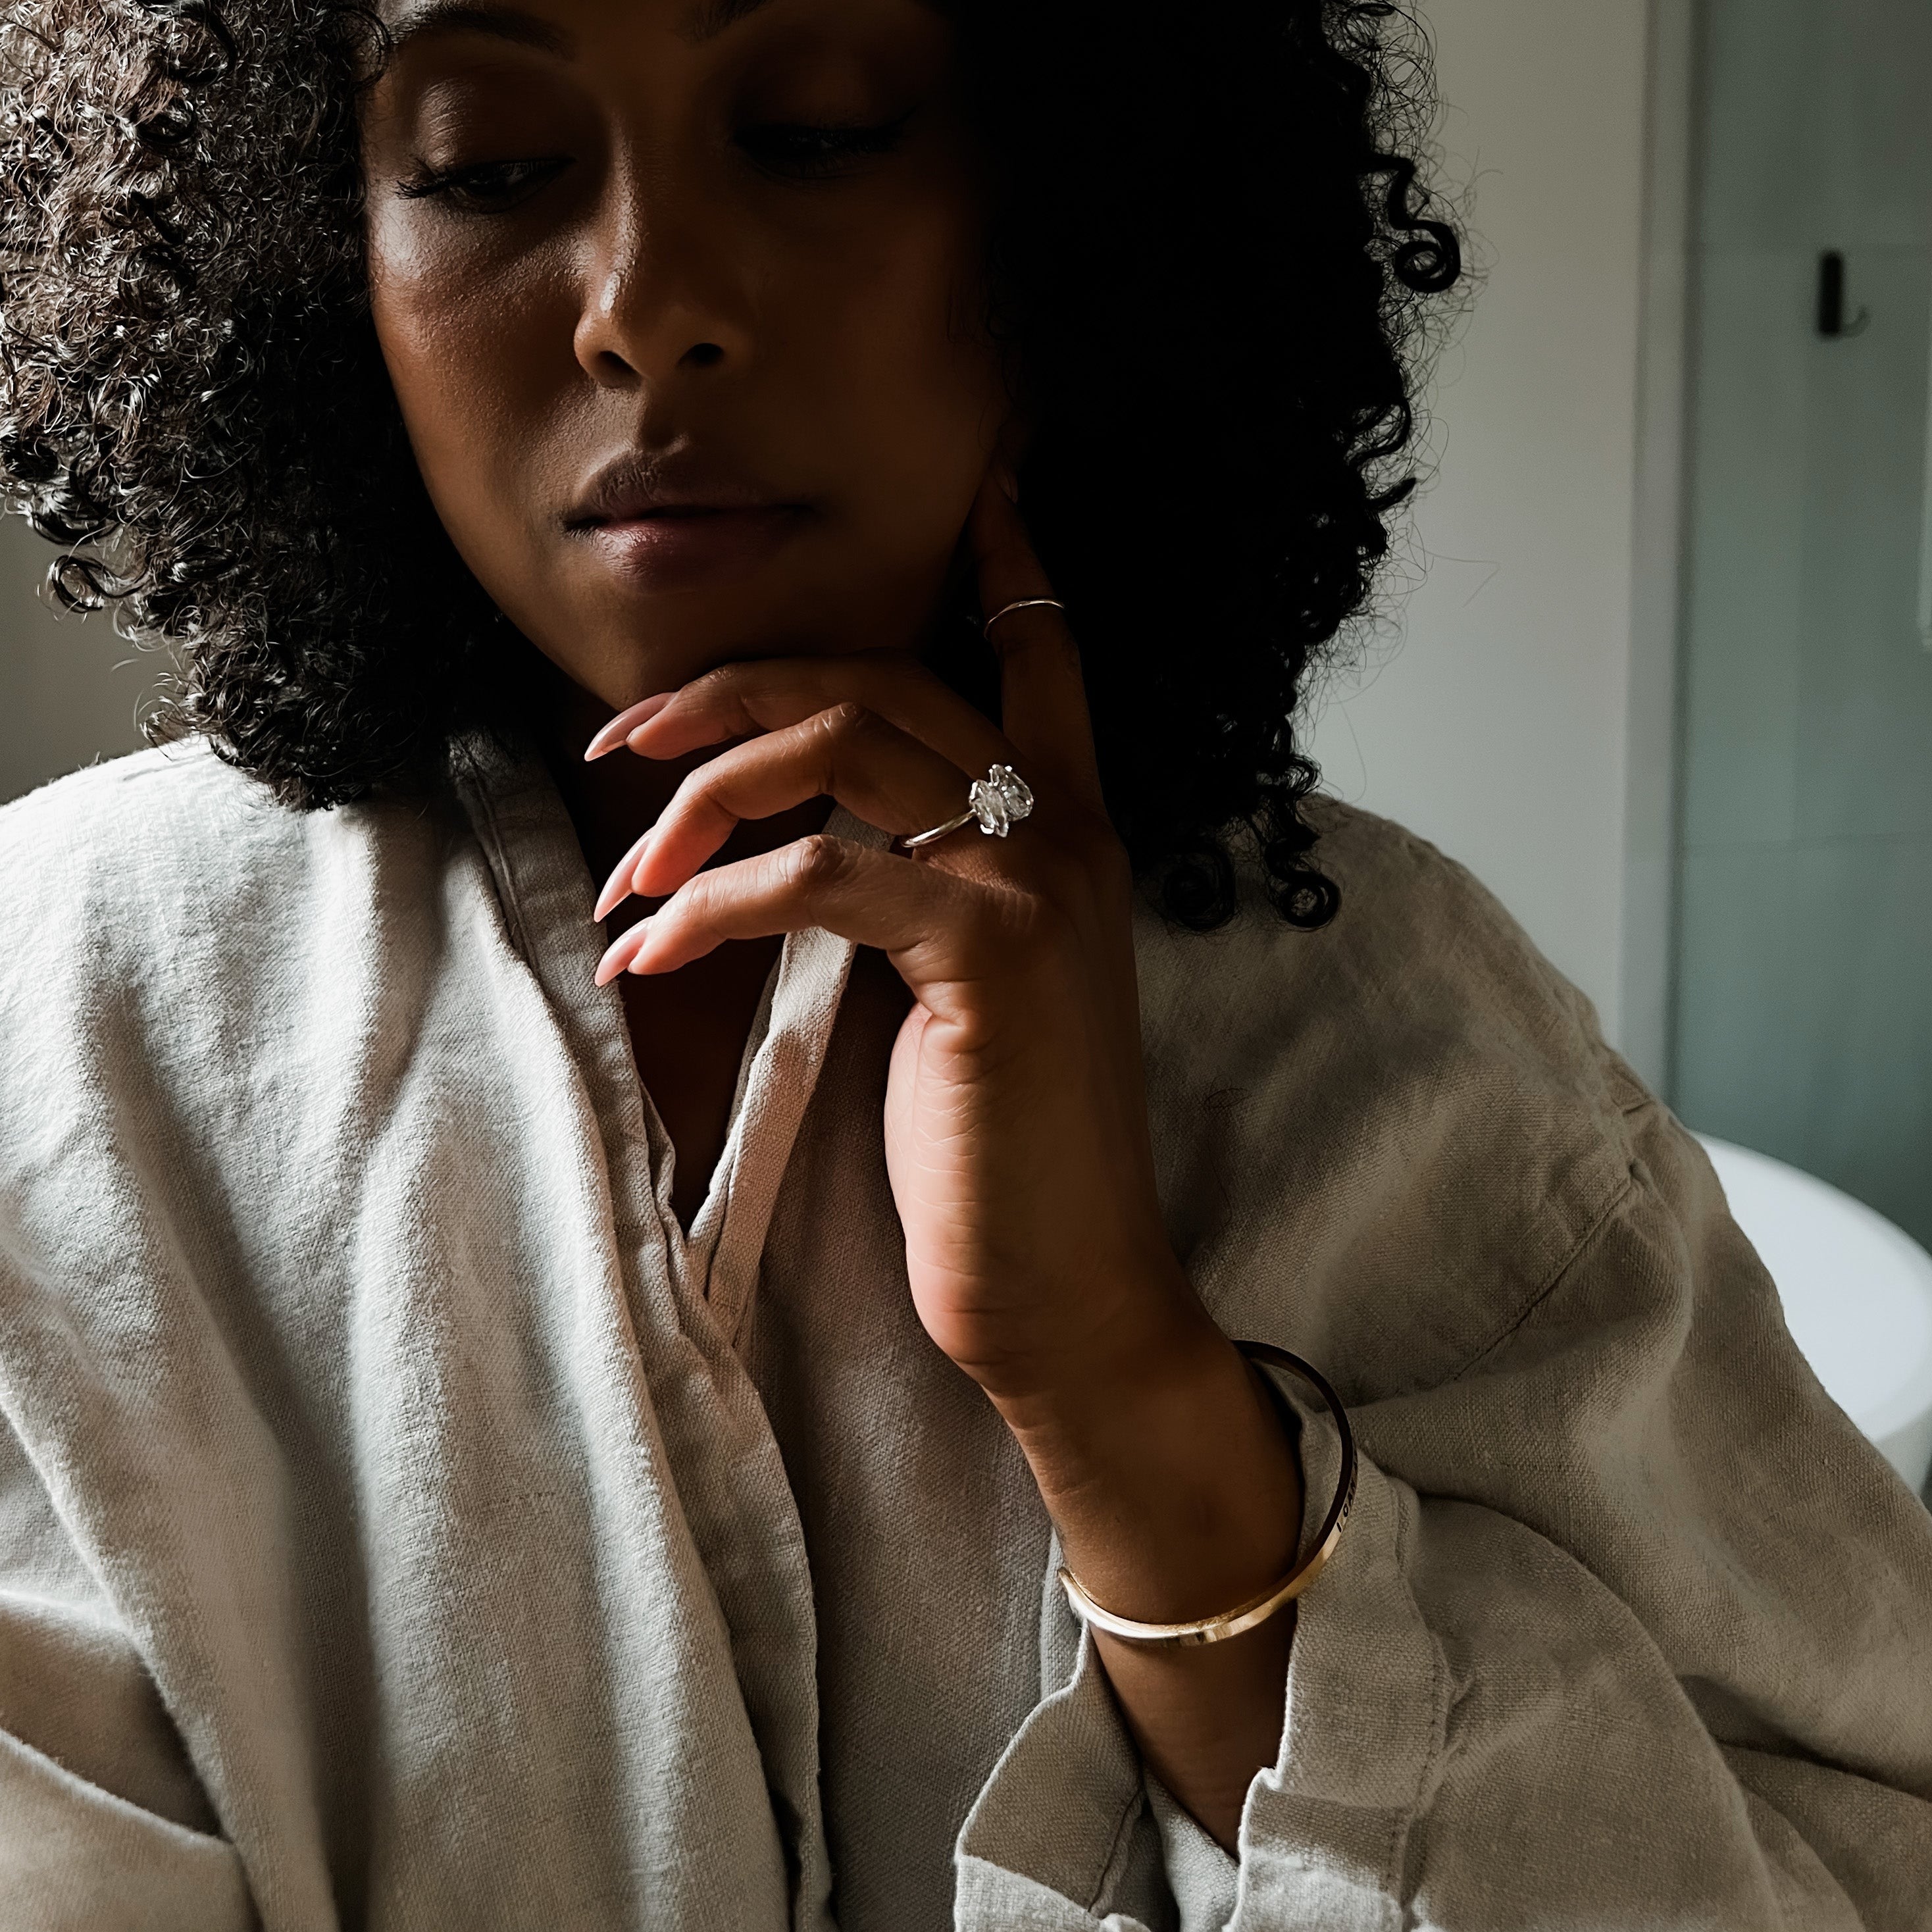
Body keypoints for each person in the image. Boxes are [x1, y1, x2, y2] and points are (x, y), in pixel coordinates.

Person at [0, 1, 1927, 1926]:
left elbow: (1846, 1865)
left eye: (820, 131)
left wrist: (1124, 1382)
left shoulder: (1403, 1039)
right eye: (494, 169)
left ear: (1066, 209)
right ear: (325, 262)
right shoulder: (64, 1015)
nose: (648, 308)